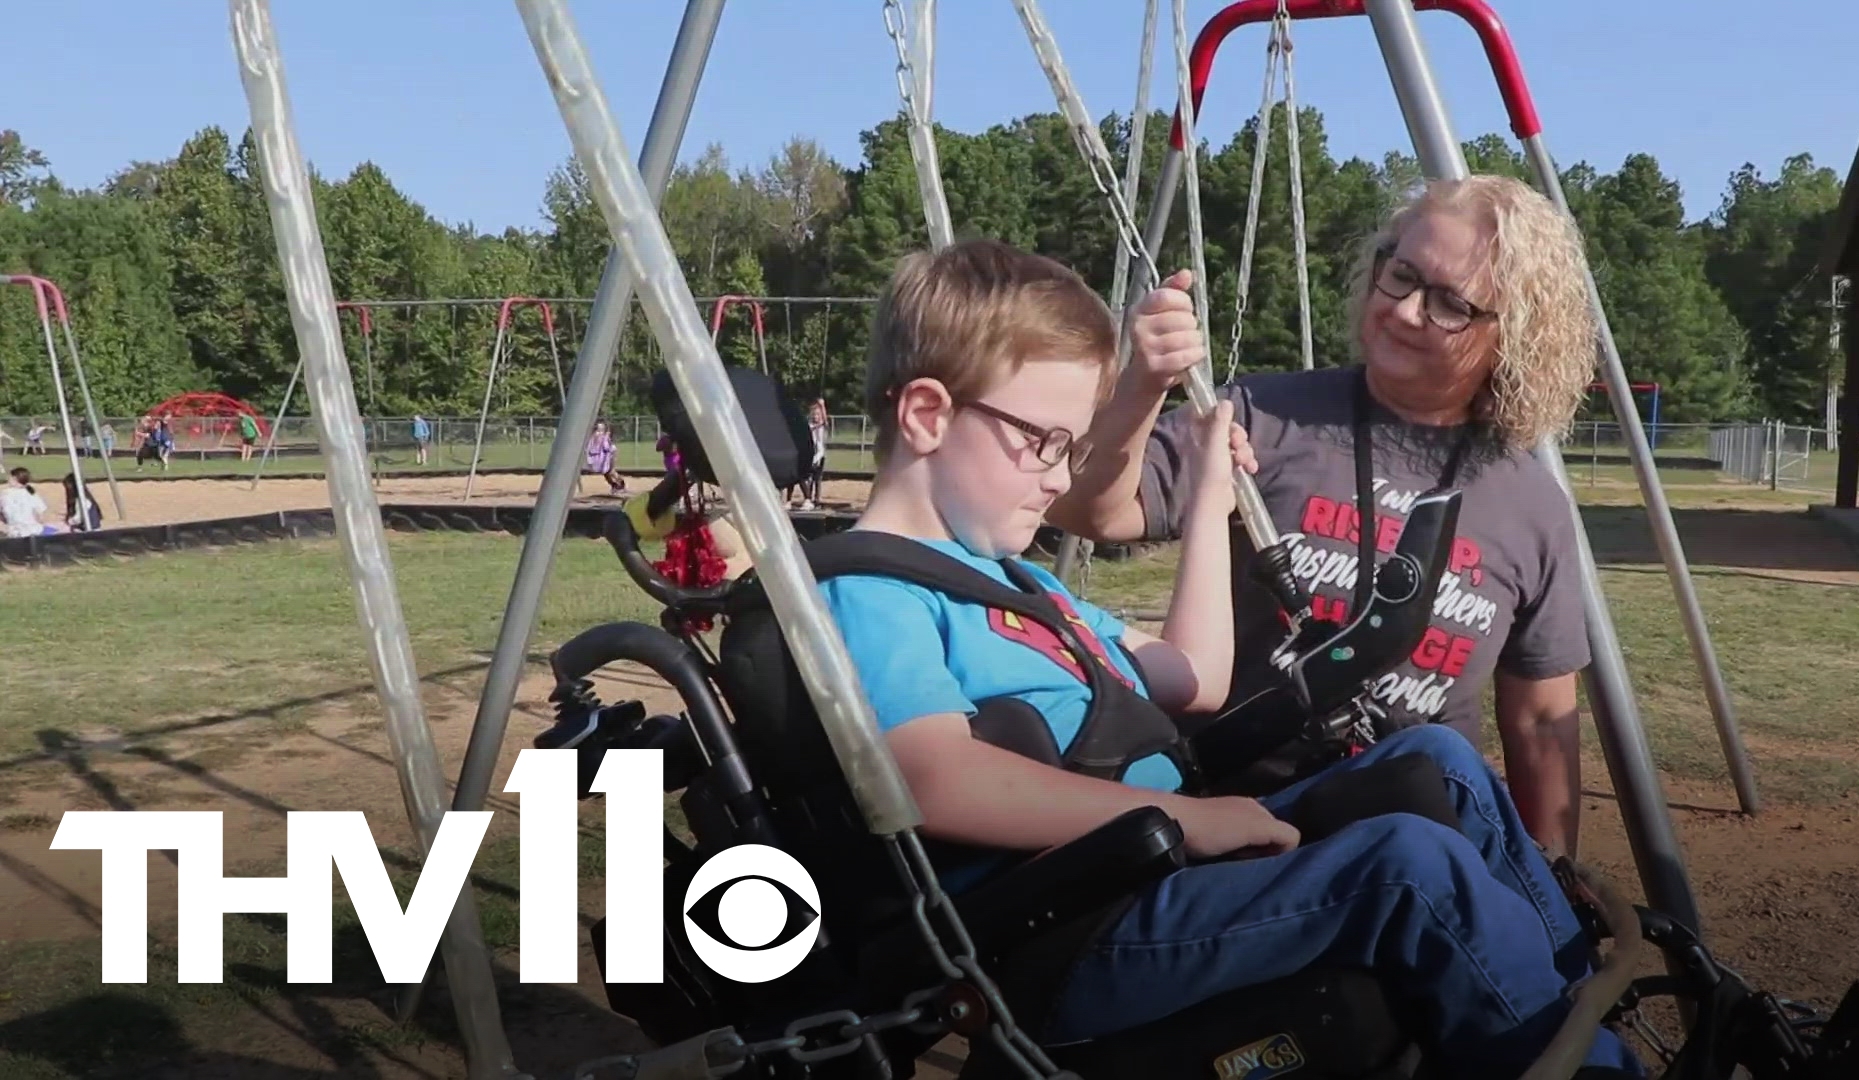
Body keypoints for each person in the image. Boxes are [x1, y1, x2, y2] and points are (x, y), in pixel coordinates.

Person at [814, 238, 1641, 1080]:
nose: (1057, 476)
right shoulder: (870, 590)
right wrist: (1193, 820)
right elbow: (929, 779)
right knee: (1406, 870)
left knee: (1439, 760)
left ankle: (1565, 999)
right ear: (926, 414)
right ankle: (1587, 1066)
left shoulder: (1014, 584)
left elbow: (1194, 679)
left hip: (1144, 881)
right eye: (1047, 442)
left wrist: (1211, 500)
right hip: (1063, 930)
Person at [1048, 174, 1601, 859]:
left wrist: (1552, 878)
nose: (1403, 311)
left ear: (1512, 337)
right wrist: (1142, 386)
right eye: (1401, 275)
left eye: (1451, 303)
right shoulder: (1266, 418)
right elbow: (1093, 509)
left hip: (1416, 822)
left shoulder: (1531, 505)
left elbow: (1542, 723)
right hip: (1237, 809)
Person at [4, 467, 62, 538]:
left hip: (15, 533)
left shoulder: (5, 494)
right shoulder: (32, 494)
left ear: (14, 479)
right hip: (35, 531)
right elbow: (41, 516)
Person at [585, 420, 628, 497]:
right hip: (603, 458)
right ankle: (614, 485)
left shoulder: (605, 438)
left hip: (610, 455)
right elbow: (591, 449)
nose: (597, 433)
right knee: (606, 474)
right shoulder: (593, 439)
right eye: (597, 430)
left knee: (611, 472)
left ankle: (621, 484)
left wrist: (612, 458)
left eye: (600, 431)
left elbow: (610, 448)